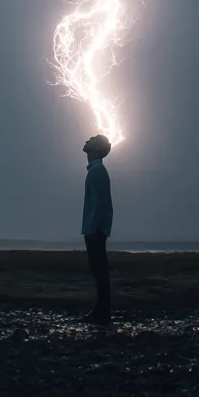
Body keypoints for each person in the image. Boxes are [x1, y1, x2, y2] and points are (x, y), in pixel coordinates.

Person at [81, 134, 113, 324]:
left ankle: (102, 311)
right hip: (94, 228)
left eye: (92, 139)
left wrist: (93, 230)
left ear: (97, 148)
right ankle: (101, 310)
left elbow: (100, 204)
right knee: (98, 269)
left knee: (99, 269)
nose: (87, 139)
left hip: (95, 229)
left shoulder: (97, 171)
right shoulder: (95, 171)